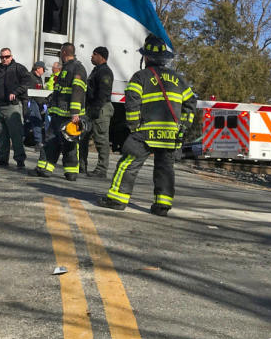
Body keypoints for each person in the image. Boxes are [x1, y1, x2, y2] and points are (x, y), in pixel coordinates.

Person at [96, 35, 196, 216]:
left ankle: (117, 199)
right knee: (165, 168)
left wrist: (133, 125)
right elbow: (191, 102)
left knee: (128, 163)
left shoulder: (140, 76)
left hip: (145, 132)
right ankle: (162, 206)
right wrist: (184, 127)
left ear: (146, 57)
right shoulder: (178, 79)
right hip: (170, 135)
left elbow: (132, 101)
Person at [35, 43, 87, 181]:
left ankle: (68, 172)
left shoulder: (77, 68)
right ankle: (48, 170)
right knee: (55, 141)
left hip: (69, 115)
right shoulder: (68, 68)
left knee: (67, 142)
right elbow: (60, 92)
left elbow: (78, 91)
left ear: (64, 52)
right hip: (60, 113)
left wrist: (75, 113)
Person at [0, 47, 33, 168]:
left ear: (11, 56)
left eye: (6, 57)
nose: (4, 59)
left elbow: (28, 81)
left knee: (16, 135)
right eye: (2, 57)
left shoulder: (18, 68)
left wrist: (16, 92)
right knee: (1, 136)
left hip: (11, 107)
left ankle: (20, 161)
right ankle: (2, 159)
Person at [80, 47, 114, 177]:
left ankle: (101, 169)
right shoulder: (96, 70)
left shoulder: (105, 72)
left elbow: (103, 94)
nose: (91, 56)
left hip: (101, 108)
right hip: (91, 108)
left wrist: (95, 110)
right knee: (82, 138)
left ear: (102, 57)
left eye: (94, 54)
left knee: (101, 139)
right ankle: (81, 166)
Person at [25, 61, 48, 162]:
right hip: (31, 101)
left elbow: (40, 92)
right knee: (36, 120)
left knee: (29, 123)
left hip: (36, 102)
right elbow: (32, 92)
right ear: (38, 68)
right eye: (43, 69)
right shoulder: (30, 77)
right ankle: (38, 143)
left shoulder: (38, 78)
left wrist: (44, 102)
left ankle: (19, 140)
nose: (44, 71)